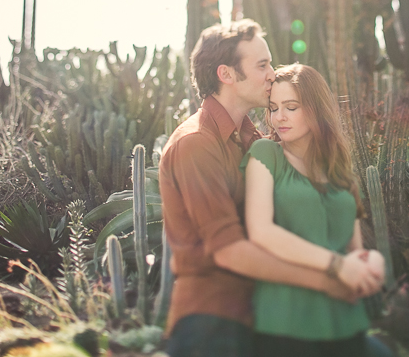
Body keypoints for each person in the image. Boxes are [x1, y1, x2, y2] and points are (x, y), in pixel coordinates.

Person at [158, 20, 382, 357]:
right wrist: (330, 279)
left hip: (265, 312)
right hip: (213, 320)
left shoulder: (255, 141)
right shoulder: (196, 144)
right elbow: (229, 251)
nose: (271, 74)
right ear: (227, 75)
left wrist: (361, 258)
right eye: (262, 65)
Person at [242, 63, 384, 357]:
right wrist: (337, 265)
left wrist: (372, 263)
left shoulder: (340, 168)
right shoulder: (265, 154)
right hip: (285, 322)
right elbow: (261, 232)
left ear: (315, 109)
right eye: (273, 107)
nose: (278, 116)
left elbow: (353, 247)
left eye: (291, 107)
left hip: (344, 319)